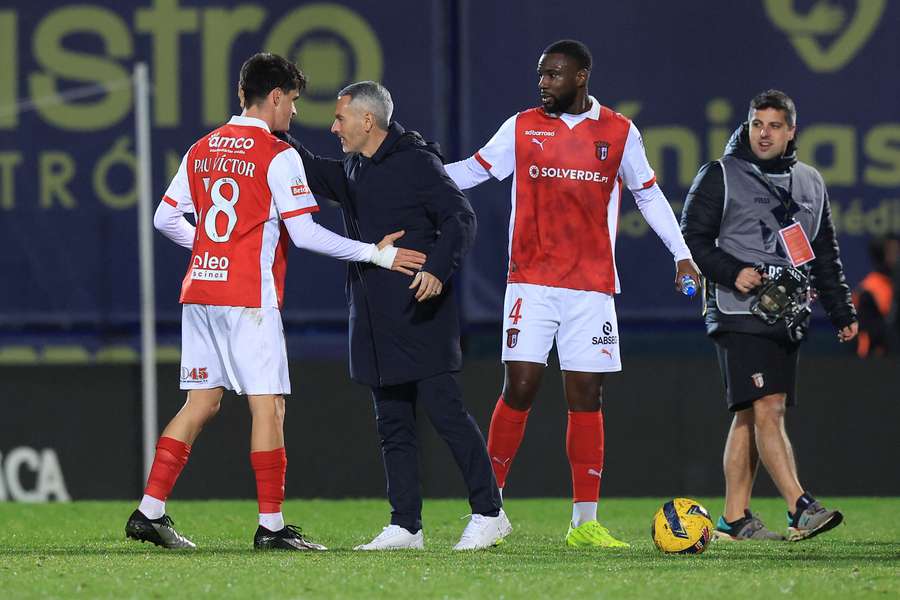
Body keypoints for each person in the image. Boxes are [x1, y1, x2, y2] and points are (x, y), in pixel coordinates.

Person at [124, 53, 425, 551]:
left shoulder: (203, 147)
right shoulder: (277, 153)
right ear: (277, 96)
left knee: (200, 402)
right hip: (247, 296)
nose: (296, 115)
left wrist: (209, 249)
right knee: (270, 406)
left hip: (199, 290)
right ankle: (271, 527)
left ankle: (149, 512)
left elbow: (165, 218)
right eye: (295, 103)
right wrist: (375, 255)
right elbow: (304, 233)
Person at [444, 39, 699, 548]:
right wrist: (414, 185)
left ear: (581, 77)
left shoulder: (619, 132)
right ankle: (488, 511)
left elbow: (648, 194)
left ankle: (584, 523)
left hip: (591, 289)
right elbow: (472, 170)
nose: (544, 83)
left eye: (554, 75)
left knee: (586, 395)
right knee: (520, 386)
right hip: (531, 282)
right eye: (541, 75)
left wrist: (682, 253)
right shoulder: (521, 126)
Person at [278, 81, 509, 550]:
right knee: (392, 423)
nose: (333, 126)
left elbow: (461, 218)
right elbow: (313, 169)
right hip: (374, 315)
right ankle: (406, 525)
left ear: (368, 120)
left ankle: (490, 512)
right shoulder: (355, 167)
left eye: (340, 118)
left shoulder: (417, 161)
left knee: (446, 414)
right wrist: (269, 128)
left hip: (420, 310)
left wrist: (439, 272)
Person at [680, 89, 857, 542]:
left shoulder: (811, 182)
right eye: (758, 124)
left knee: (749, 414)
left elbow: (823, 252)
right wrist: (732, 271)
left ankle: (734, 518)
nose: (764, 133)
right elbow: (691, 239)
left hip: (787, 315)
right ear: (748, 124)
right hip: (737, 310)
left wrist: (840, 310)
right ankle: (800, 506)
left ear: (791, 131)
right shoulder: (720, 174)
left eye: (774, 126)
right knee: (768, 406)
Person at [853, 235, 898, 358]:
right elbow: (864, 334)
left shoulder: (894, 281)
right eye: (893, 252)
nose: (897, 256)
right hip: (878, 358)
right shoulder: (870, 289)